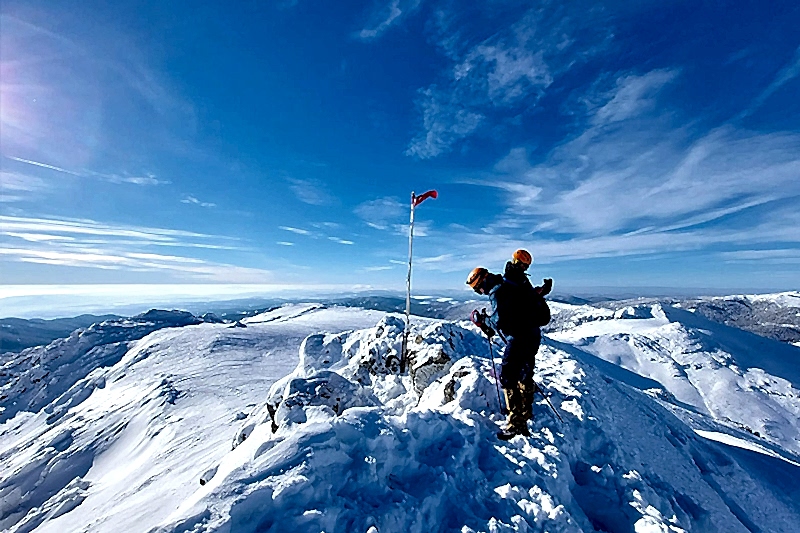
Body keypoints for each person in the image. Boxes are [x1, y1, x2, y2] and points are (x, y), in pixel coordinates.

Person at [466, 262, 552, 440]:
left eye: (478, 289)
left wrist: (482, 321)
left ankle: (516, 423)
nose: (480, 292)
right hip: (532, 334)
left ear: (482, 282)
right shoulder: (509, 284)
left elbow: (500, 321)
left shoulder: (497, 291)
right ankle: (526, 412)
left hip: (519, 337)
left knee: (508, 376)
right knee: (525, 373)